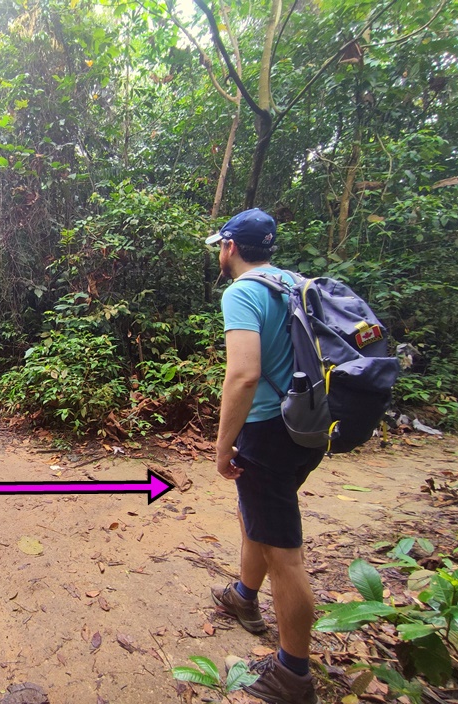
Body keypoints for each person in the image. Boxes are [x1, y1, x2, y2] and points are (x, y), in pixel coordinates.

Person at [206, 209, 324, 704]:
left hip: (267, 430)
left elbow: (244, 376)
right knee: (255, 513)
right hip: (307, 427)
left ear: (230, 247)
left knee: (284, 552)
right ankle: (244, 597)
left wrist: (222, 444)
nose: (218, 252)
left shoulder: (243, 293)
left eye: (219, 245)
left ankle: (293, 674)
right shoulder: (294, 284)